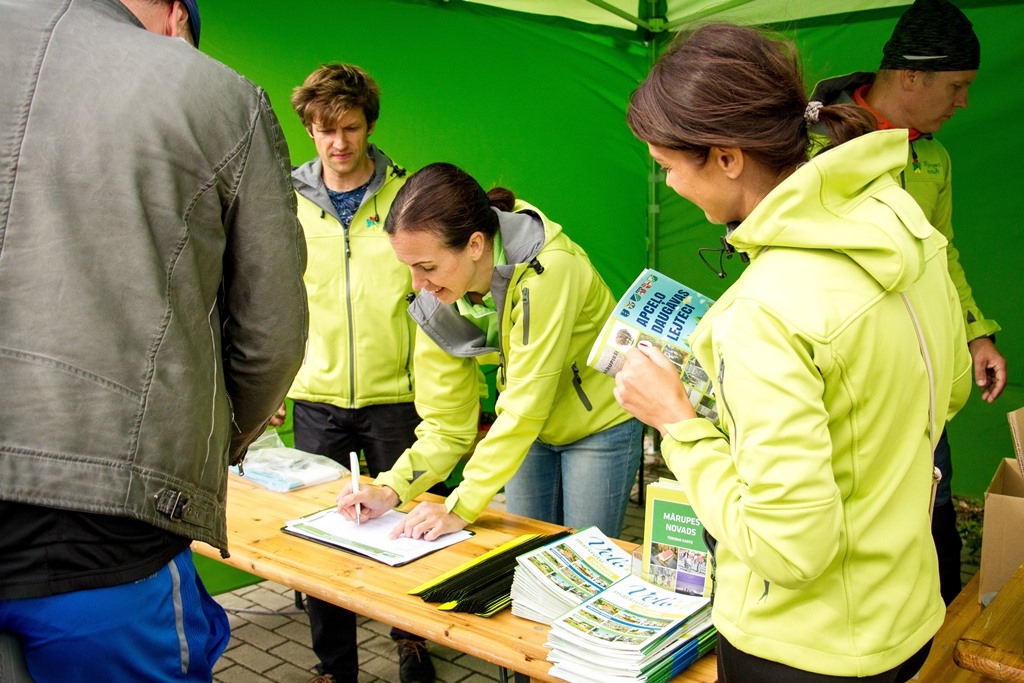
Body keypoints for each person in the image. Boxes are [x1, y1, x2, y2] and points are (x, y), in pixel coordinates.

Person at [614, 23, 972, 682]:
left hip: (802, 649)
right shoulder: (902, 222)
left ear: (727, 157)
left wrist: (677, 422)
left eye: (667, 167)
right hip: (905, 614)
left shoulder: (763, 310)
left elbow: (788, 546)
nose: (669, 188)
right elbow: (946, 390)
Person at [0, 0, 307, 681]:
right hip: (103, 530)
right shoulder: (212, 92)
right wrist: (210, 442)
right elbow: (273, 335)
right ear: (176, 18)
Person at [809, 0, 1008, 606]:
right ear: (912, 76)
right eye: (958, 86)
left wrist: (976, 332)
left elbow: (942, 255)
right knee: (852, 507)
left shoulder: (935, 158)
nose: (964, 102)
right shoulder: (818, 139)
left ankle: (936, 635)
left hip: (921, 369)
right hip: (845, 369)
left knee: (934, 507)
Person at [336, 162, 643, 545]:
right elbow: (446, 425)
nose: (417, 284)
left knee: (581, 561)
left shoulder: (550, 269)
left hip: (597, 424)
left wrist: (459, 506)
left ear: (475, 244)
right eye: (409, 268)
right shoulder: (436, 293)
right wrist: (391, 489)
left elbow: (527, 402)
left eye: (427, 266)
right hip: (526, 431)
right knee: (523, 560)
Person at [279, 63, 437, 683]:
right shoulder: (283, 198)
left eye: (349, 127)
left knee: (412, 525)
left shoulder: (407, 195)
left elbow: (433, 291)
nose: (338, 143)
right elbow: (271, 294)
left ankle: (414, 638)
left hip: (398, 395)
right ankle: (333, 666)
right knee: (325, 537)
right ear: (310, 130)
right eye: (323, 130)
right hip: (315, 396)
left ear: (369, 125)